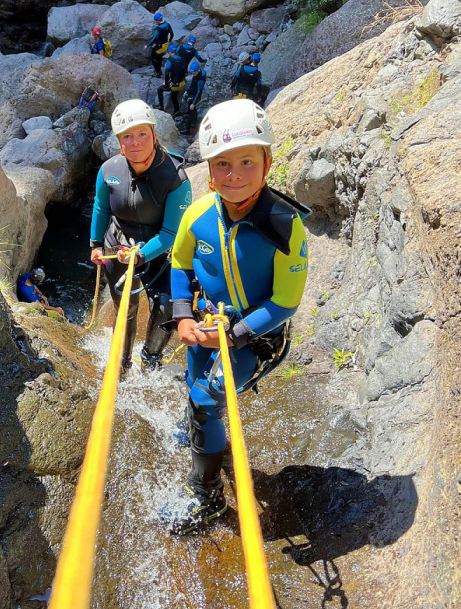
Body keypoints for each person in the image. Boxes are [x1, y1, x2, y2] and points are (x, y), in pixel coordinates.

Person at [160, 99, 311, 534]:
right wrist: (183, 315)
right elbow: (180, 264)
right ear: (209, 169)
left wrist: (237, 333)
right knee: (194, 387)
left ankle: (205, 499)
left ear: (266, 163)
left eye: (247, 161)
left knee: (206, 399)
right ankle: (201, 425)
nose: (235, 175)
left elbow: (286, 302)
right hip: (207, 323)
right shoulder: (198, 214)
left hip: (258, 338)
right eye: (222, 164)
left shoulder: (284, 225)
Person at [89, 99, 192, 372]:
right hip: (119, 244)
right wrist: (97, 244)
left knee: (166, 307)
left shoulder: (175, 178)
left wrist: (142, 254)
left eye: (142, 134)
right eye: (127, 136)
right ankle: (121, 365)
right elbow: (100, 207)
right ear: (119, 141)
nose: (135, 142)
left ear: (154, 135)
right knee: (125, 307)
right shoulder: (109, 170)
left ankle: (150, 358)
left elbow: (171, 233)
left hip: (159, 251)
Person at [156, 44, 187, 115]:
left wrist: (166, 83)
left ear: (169, 52)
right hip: (182, 83)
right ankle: (177, 110)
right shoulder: (180, 59)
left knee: (160, 89)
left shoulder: (169, 61)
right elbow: (184, 70)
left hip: (175, 85)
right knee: (174, 95)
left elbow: (167, 74)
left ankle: (161, 106)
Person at [181, 59, 207, 136]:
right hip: (192, 93)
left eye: (194, 72)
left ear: (198, 70)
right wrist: (187, 91)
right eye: (192, 73)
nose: (193, 74)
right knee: (191, 110)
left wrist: (193, 103)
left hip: (196, 96)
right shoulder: (196, 75)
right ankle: (192, 124)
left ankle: (188, 128)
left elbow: (199, 92)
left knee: (191, 110)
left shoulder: (200, 80)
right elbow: (192, 84)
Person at [145, 12, 174, 77]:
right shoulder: (168, 25)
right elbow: (172, 33)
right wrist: (169, 41)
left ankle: (157, 72)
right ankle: (159, 70)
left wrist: (148, 45)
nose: (155, 22)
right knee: (160, 57)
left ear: (158, 21)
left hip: (159, 46)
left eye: (156, 21)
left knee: (154, 57)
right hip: (165, 45)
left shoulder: (159, 29)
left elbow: (154, 38)